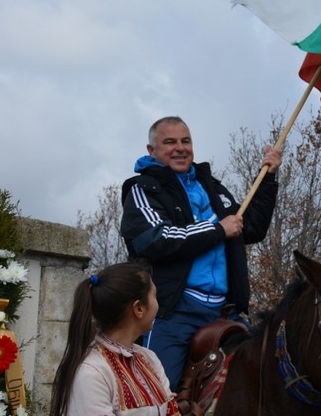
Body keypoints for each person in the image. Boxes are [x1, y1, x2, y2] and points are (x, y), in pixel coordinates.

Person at [120, 115, 281, 387]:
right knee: (159, 394)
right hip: (171, 312)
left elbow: (250, 228)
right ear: (152, 150)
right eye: (169, 142)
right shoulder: (142, 189)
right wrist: (217, 230)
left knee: (271, 379)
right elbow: (154, 240)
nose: (180, 147)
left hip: (224, 312)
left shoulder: (212, 186)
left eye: (186, 140)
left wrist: (267, 179)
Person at [50, 262, 181, 416]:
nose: (158, 305)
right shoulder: (92, 373)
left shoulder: (149, 359)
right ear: (138, 308)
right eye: (155, 296)